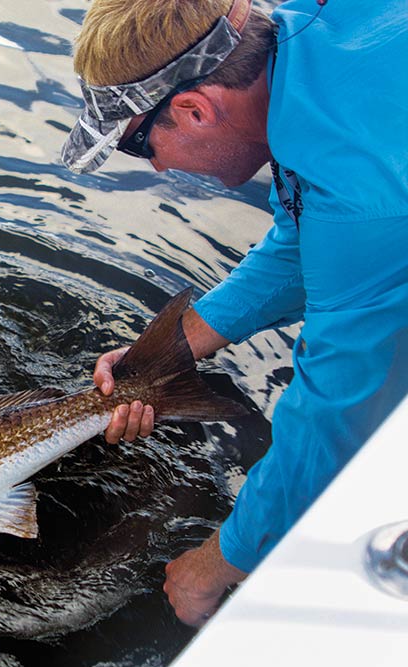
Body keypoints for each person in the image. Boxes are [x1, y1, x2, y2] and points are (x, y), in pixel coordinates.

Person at [62, 0, 408, 626]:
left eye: (140, 144)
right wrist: (171, 349)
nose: (157, 165)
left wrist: (220, 562)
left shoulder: (366, 189)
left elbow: (338, 412)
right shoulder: (313, 35)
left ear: (196, 109)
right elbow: (307, 243)